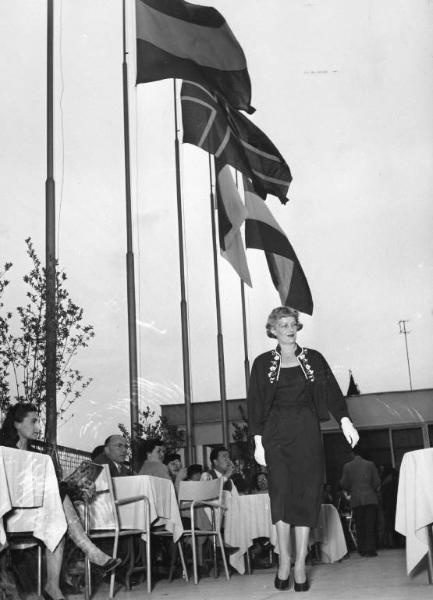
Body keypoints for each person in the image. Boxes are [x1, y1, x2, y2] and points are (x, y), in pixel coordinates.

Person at [247, 306, 359, 592]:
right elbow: (256, 403)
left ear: (297, 327)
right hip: (274, 433)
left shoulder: (314, 358)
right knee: (282, 495)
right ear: (272, 330)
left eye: (292, 323)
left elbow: (333, 392)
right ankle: (284, 560)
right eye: (282, 324)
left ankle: (300, 565)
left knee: (307, 494)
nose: (288, 328)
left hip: (307, 431)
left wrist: (345, 420)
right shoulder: (261, 363)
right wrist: (258, 440)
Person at [0, 403, 120, 600]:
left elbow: (48, 493)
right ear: (16, 424)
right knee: (59, 504)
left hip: (33, 515)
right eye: (34, 421)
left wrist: (79, 489)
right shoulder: (3, 452)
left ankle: (54, 587)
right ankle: (90, 552)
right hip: (7, 516)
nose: (39, 427)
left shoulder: (39, 457)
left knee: (57, 521)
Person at [340, 447, 381, 557]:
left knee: (360, 525)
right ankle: (370, 550)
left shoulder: (347, 466)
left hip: (356, 499)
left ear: (352, 453)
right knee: (370, 524)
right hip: (370, 498)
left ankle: (362, 549)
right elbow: (377, 482)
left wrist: (352, 487)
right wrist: (369, 488)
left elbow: (343, 484)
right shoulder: (370, 464)